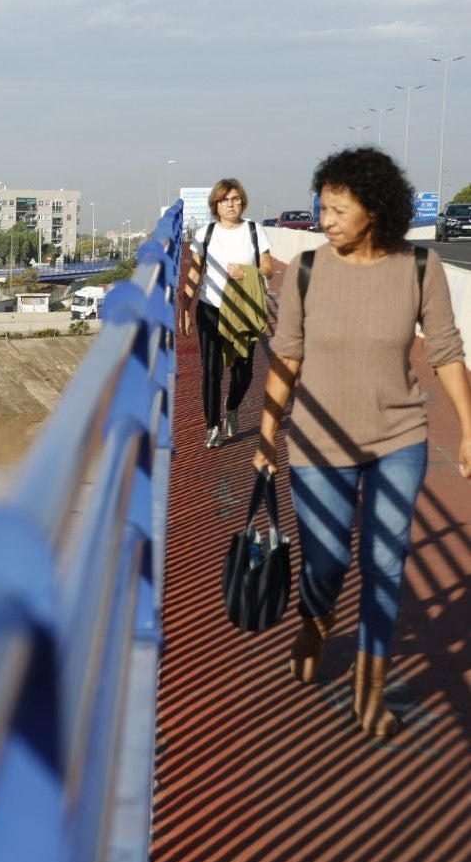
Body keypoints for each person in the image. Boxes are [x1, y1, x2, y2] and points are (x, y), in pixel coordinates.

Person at [255, 147, 471, 738]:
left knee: (384, 565)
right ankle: (315, 621)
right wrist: (267, 435)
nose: (324, 219)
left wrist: (469, 427)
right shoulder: (306, 272)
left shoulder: (420, 269)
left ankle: (368, 695)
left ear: (374, 209)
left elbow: (448, 352)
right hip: (319, 446)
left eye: (337, 209)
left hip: (399, 437)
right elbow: (288, 356)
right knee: (326, 562)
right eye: (321, 207)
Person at [182, 179, 275, 448]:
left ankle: (232, 406)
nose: (230, 204)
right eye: (224, 200)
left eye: (234, 199)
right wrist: (185, 307)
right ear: (215, 205)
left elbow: (268, 268)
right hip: (211, 307)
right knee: (211, 370)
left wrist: (247, 272)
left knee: (244, 372)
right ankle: (212, 427)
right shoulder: (205, 234)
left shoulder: (255, 230)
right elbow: (194, 273)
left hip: (245, 309)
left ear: (242, 201)